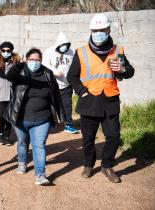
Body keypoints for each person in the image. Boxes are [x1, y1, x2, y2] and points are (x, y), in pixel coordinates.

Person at [67, 13, 134, 183]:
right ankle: (88, 165)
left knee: (113, 135)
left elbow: (130, 71)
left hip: (110, 101)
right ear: (91, 31)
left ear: (108, 30)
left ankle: (107, 166)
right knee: (88, 137)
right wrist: (82, 91)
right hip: (89, 101)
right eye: (95, 30)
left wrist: (123, 69)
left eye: (102, 30)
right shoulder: (81, 52)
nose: (98, 33)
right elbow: (72, 76)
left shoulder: (118, 51)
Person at [4, 48, 65, 186]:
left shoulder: (47, 74)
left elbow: (55, 95)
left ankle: (40, 174)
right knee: (22, 142)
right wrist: (19, 64)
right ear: (27, 59)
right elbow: (9, 76)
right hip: (20, 117)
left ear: (41, 60)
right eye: (31, 59)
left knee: (39, 145)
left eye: (37, 60)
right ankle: (22, 162)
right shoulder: (20, 71)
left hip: (42, 119)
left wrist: (62, 115)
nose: (34, 62)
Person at [42, 32, 78, 134]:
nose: (64, 47)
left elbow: (74, 65)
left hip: (66, 84)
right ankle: (49, 123)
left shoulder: (70, 52)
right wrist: (55, 71)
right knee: (50, 105)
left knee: (67, 105)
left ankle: (68, 124)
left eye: (66, 45)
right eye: (62, 45)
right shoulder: (49, 51)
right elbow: (44, 64)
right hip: (52, 84)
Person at [0, 41, 21, 146]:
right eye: (3, 50)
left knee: (10, 115)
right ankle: (1, 132)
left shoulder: (16, 62)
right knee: (2, 115)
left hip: (12, 92)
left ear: (11, 51)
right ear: (0, 51)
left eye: (8, 50)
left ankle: (7, 134)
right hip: (0, 92)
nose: (6, 52)